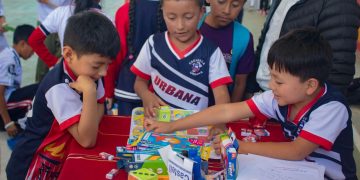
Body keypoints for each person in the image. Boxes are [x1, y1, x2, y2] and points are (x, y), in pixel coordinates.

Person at [145, 28, 357, 179]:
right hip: (294, 169)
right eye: (272, 77)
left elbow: (297, 151)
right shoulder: (280, 97)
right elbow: (227, 110)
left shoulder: (331, 108)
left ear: (310, 85)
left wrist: (239, 146)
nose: (271, 85)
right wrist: (171, 126)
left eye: (279, 80)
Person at [6, 11, 120, 179]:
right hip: (32, 165)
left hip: (58, 157)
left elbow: (98, 112)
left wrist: (88, 122)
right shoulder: (58, 86)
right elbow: (88, 140)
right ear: (68, 54)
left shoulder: (90, 73)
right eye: (98, 65)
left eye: (107, 65)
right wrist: (89, 93)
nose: (104, 72)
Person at [131, 0, 232, 118]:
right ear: (162, 13)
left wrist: (219, 122)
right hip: (160, 122)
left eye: (188, 17)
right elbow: (139, 83)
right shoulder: (153, 43)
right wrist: (145, 95)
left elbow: (222, 96)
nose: (180, 26)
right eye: (172, 18)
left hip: (195, 126)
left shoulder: (211, 51)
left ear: (201, 13)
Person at [250, 0, 360, 95]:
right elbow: (267, 39)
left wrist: (305, 114)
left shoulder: (339, 4)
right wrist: (251, 87)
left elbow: (338, 72)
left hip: (294, 108)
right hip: (265, 95)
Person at [104, 0, 166, 116]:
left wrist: (108, 91)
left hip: (127, 87)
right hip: (161, 90)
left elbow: (117, 54)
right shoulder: (170, 10)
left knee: (127, 132)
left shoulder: (123, 11)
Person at [198, 0, 255, 102]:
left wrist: (229, 115)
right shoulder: (191, 26)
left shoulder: (244, 38)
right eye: (221, 2)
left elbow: (239, 83)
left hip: (221, 109)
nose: (227, 10)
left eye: (235, 5)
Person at [29, 0, 108, 69]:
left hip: (65, 74)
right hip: (93, 75)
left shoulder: (60, 12)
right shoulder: (106, 19)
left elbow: (33, 40)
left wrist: (53, 62)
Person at [0, 25, 37, 137]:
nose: (34, 53)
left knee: (38, 90)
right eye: (33, 48)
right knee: (38, 93)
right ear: (22, 44)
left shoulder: (10, 54)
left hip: (8, 101)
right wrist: (8, 123)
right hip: (4, 106)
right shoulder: (10, 60)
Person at [35, 0, 72, 82]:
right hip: (47, 21)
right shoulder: (62, 12)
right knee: (43, 68)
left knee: (67, 63)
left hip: (68, 21)